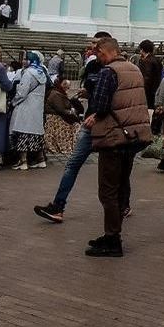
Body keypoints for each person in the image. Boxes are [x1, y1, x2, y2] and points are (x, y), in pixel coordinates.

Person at [33, 32, 113, 223]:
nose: (90, 47)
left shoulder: (116, 68)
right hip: (89, 122)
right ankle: (58, 206)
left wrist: (98, 112)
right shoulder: (93, 65)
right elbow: (93, 88)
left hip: (107, 123)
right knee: (73, 163)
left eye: (95, 44)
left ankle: (123, 204)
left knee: (113, 168)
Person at [84, 37, 151, 257]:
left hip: (113, 136)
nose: (98, 58)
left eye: (99, 54)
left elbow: (100, 105)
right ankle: (113, 233)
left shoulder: (108, 72)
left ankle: (113, 238)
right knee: (122, 185)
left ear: (105, 52)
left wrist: (94, 114)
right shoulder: (134, 69)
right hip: (132, 136)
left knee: (108, 190)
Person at [9, 51, 49, 170]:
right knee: (36, 134)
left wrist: (13, 101)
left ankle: (23, 161)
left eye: (26, 59)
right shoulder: (42, 73)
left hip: (26, 107)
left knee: (23, 133)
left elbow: (22, 92)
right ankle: (41, 159)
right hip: (37, 108)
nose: (23, 61)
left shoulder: (28, 73)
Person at [44, 79, 83, 156]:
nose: (67, 89)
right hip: (55, 117)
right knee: (75, 125)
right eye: (67, 87)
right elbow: (61, 109)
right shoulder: (56, 94)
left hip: (59, 115)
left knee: (76, 123)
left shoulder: (58, 93)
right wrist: (71, 112)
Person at [136, 40, 163, 113]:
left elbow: (146, 78)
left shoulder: (146, 62)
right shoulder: (157, 60)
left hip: (148, 92)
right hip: (155, 90)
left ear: (142, 49)